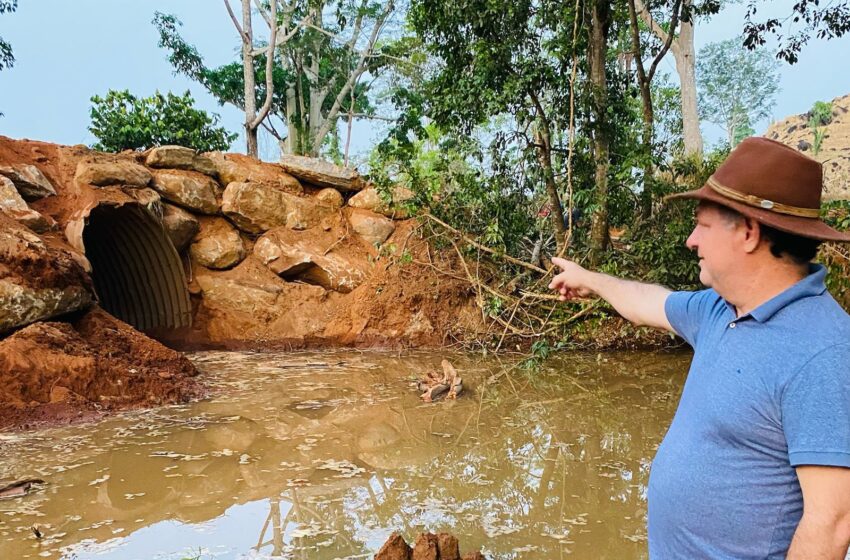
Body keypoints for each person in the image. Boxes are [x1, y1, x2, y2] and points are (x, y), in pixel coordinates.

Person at [548, 137, 850, 559]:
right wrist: (592, 280)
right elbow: (648, 303)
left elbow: (832, 523)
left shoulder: (823, 352)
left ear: (748, 232)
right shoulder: (718, 309)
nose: (691, 240)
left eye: (702, 226)